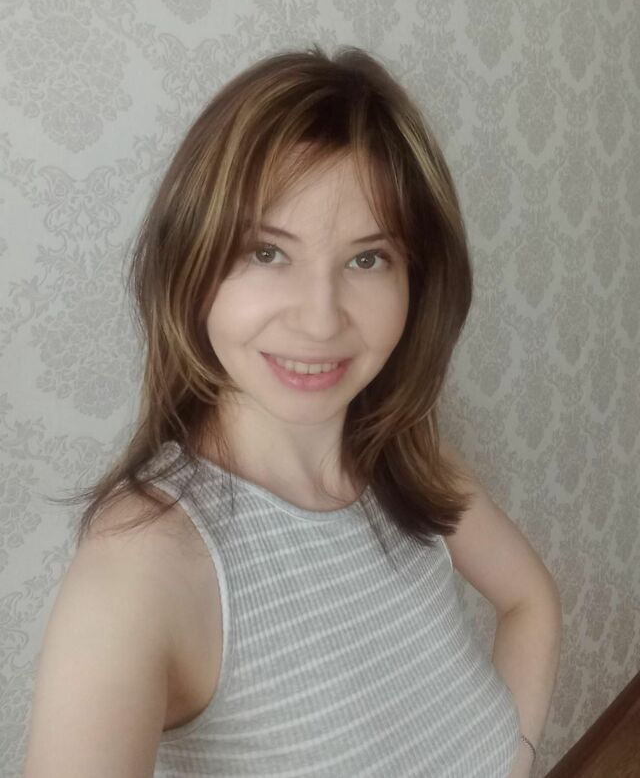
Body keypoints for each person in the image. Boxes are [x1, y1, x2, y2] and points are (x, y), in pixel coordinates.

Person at [22, 44, 560, 777]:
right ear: (190, 264)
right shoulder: (143, 566)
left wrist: (517, 757)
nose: (320, 318)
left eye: (368, 258)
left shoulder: (405, 452)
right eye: (266, 252)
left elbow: (531, 600)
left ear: (417, 282)